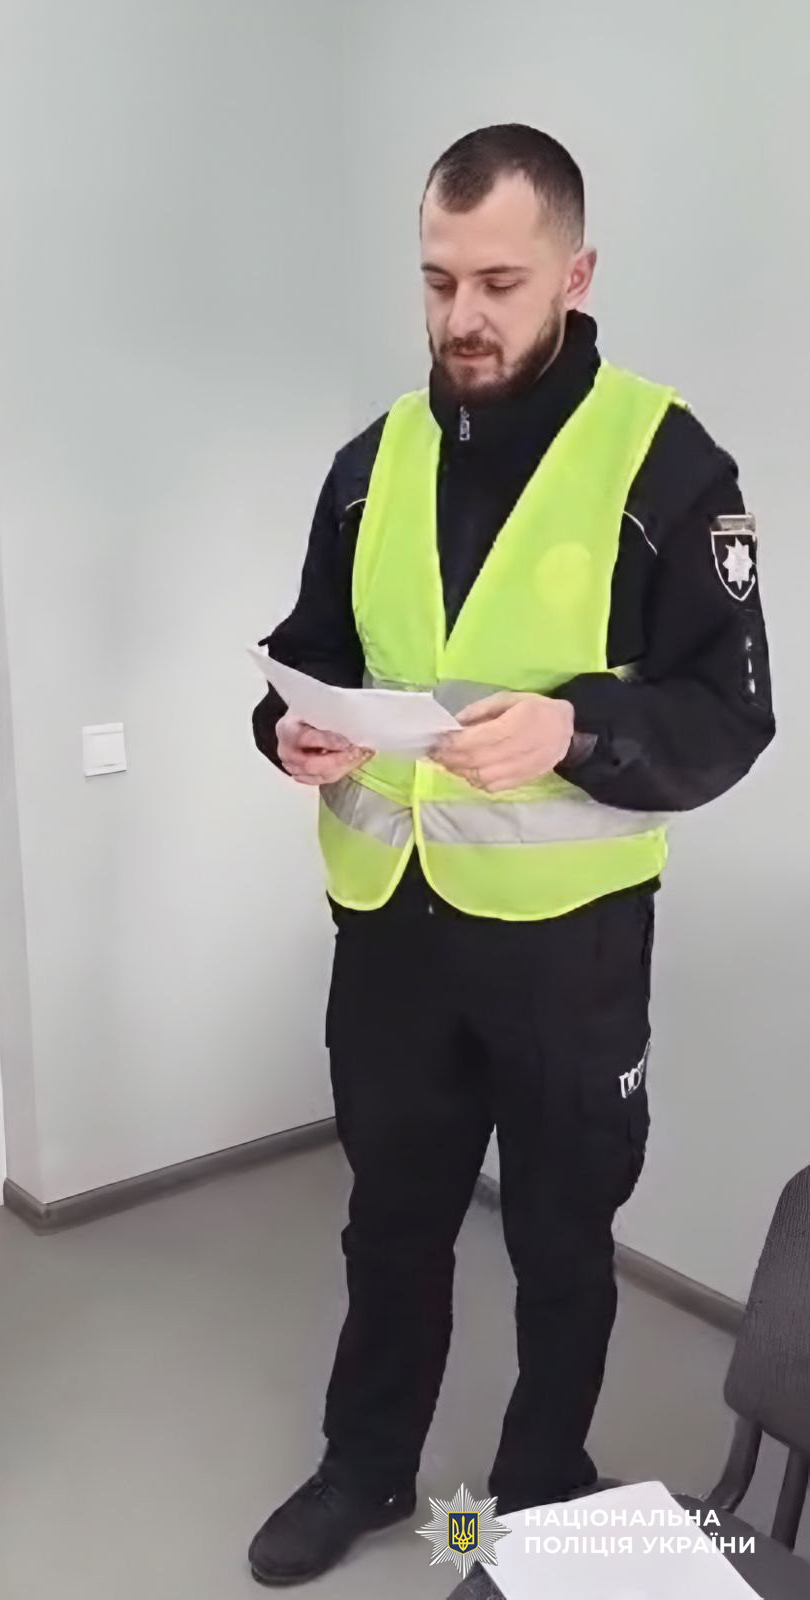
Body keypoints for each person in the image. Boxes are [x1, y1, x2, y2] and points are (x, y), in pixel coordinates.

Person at [247, 124, 774, 1587]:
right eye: (438, 282)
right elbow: (307, 653)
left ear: (575, 274)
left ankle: (541, 1494)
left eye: (498, 282)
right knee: (390, 1224)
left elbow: (730, 716)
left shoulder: (666, 464)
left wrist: (576, 728)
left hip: (567, 947)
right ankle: (365, 1468)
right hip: (392, 929)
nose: (461, 317)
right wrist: (287, 730)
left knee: (559, 1236)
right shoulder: (370, 463)